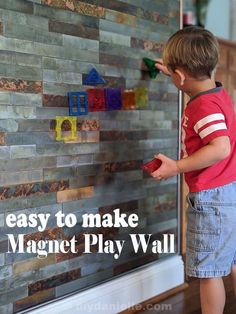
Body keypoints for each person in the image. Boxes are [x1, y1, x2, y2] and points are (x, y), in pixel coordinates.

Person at [154, 26, 236, 314]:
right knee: (232, 257)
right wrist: (174, 73)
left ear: (181, 77)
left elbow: (220, 147)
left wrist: (176, 166)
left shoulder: (202, 108)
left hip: (212, 198)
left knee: (209, 271)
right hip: (228, 190)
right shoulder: (217, 92)